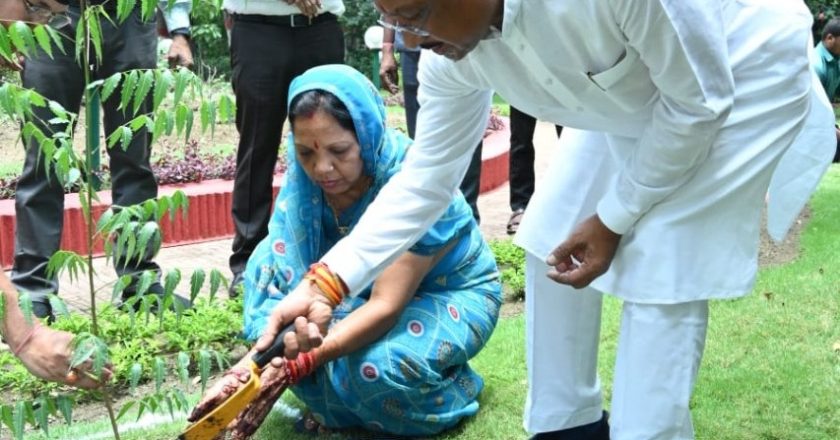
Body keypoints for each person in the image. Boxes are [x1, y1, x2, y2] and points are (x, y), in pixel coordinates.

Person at [253, 1, 837, 439]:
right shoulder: (446, 48)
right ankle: (567, 426)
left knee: (663, 264)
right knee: (549, 232)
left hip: (740, 73)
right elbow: (428, 175)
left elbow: (698, 104)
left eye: (417, 13)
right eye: (394, 19)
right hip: (637, 95)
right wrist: (326, 280)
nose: (410, 38)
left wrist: (615, 219)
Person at [188, 65, 502, 438]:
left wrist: (295, 363)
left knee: (377, 369)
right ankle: (342, 407)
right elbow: (290, 281)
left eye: (339, 150)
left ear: (367, 136)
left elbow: (385, 306)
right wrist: (245, 372)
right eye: (305, 152)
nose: (322, 168)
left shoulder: (416, 183)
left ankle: (451, 391)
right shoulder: (303, 183)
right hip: (342, 293)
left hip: (442, 292)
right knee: (267, 278)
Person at [10, 0, 194, 322]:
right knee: (44, 159)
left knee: (134, 158)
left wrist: (179, 29)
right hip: (50, 13)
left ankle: (140, 284)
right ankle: (32, 292)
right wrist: (12, 22)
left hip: (130, 15)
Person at [224, 0, 345, 297]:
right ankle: (249, 261)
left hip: (321, 28)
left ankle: (332, 258)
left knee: (328, 146)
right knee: (257, 147)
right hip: (258, 32)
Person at [380, 28, 484, 222]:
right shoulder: (410, 36)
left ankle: (467, 215)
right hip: (413, 52)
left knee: (465, 127)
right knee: (419, 138)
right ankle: (430, 220)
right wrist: (387, 49)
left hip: (452, 36)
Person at [506, 106, 562, 235]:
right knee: (520, 141)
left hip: (562, 89)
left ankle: (571, 206)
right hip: (522, 88)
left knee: (570, 141)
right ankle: (521, 208)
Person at [811, 18, 840, 163]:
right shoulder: (817, 65)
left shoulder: (836, 61)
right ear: (830, 38)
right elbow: (811, 112)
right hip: (810, 129)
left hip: (824, 125)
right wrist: (834, 132)